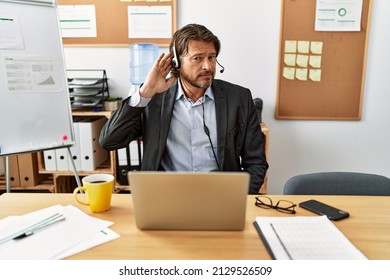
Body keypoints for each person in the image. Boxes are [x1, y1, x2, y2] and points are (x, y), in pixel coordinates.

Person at [99, 23, 268, 194]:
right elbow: (109, 141)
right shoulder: (154, 100)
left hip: (222, 196)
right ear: (177, 63)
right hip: (165, 197)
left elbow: (256, 163)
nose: (208, 66)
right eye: (197, 58)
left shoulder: (238, 98)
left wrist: (238, 199)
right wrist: (144, 93)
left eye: (211, 57)